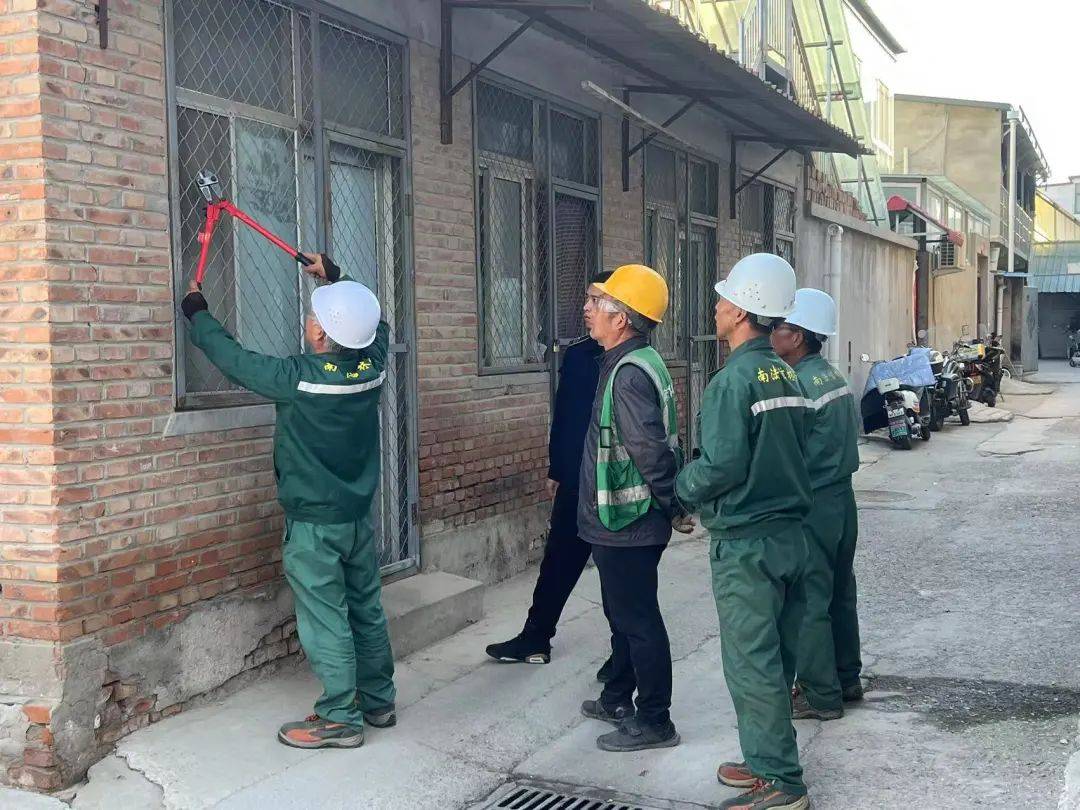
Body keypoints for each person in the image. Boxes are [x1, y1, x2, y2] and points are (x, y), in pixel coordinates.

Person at [181, 254, 395, 750]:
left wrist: (197, 312)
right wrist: (337, 277)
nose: (308, 321)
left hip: (314, 524)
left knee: (325, 616)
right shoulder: (373, 363)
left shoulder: (297, 378)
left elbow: (234, 359)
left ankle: (340, 718)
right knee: (365, 606)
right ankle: (378, 701)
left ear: (319, 333)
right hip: (357, 517)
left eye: (313, 316)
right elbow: (376, 324)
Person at [676, 253, 812, 810]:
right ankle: (763, 759)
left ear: (740, 310)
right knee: (776, 656)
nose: (716, 306)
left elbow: (722, 466)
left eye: (723, 298)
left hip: (747, 542)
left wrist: (679, 489)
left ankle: (781, 782)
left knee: (752, 660)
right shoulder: (785, 372)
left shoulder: (732, 380)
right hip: (789, 536)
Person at [576, 264, 692, 753]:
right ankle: (617, 696)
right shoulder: (639, 360)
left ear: (621, 318)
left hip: (628, 522)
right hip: (623, 522)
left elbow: (649, 451)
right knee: (623, 614)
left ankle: (655, 719)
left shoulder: (627, 374)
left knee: (638, 620)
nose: (587, 309)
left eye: (596, 302)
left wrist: (676, 506)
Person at [485, 271, 615, 682]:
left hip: (615, 484)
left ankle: (625, 656)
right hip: (577, 479)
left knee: (618, 575)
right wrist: (556, 468)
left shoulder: (632, 362)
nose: (586, 307)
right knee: (558, 560)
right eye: (587, 299)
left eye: (595, 300)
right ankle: (535, 637)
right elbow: (565, 417)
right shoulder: (579, 356)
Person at [770, 289, 862, 720]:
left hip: (814, 502)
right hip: (841, 499)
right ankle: (846, 678)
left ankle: (819, 694)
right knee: (840, 592)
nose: (771, 334)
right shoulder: (831, 376)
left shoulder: (799, 384)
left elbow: (787, 452)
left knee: (809, 600)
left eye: (778, 327)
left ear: (798, 336)